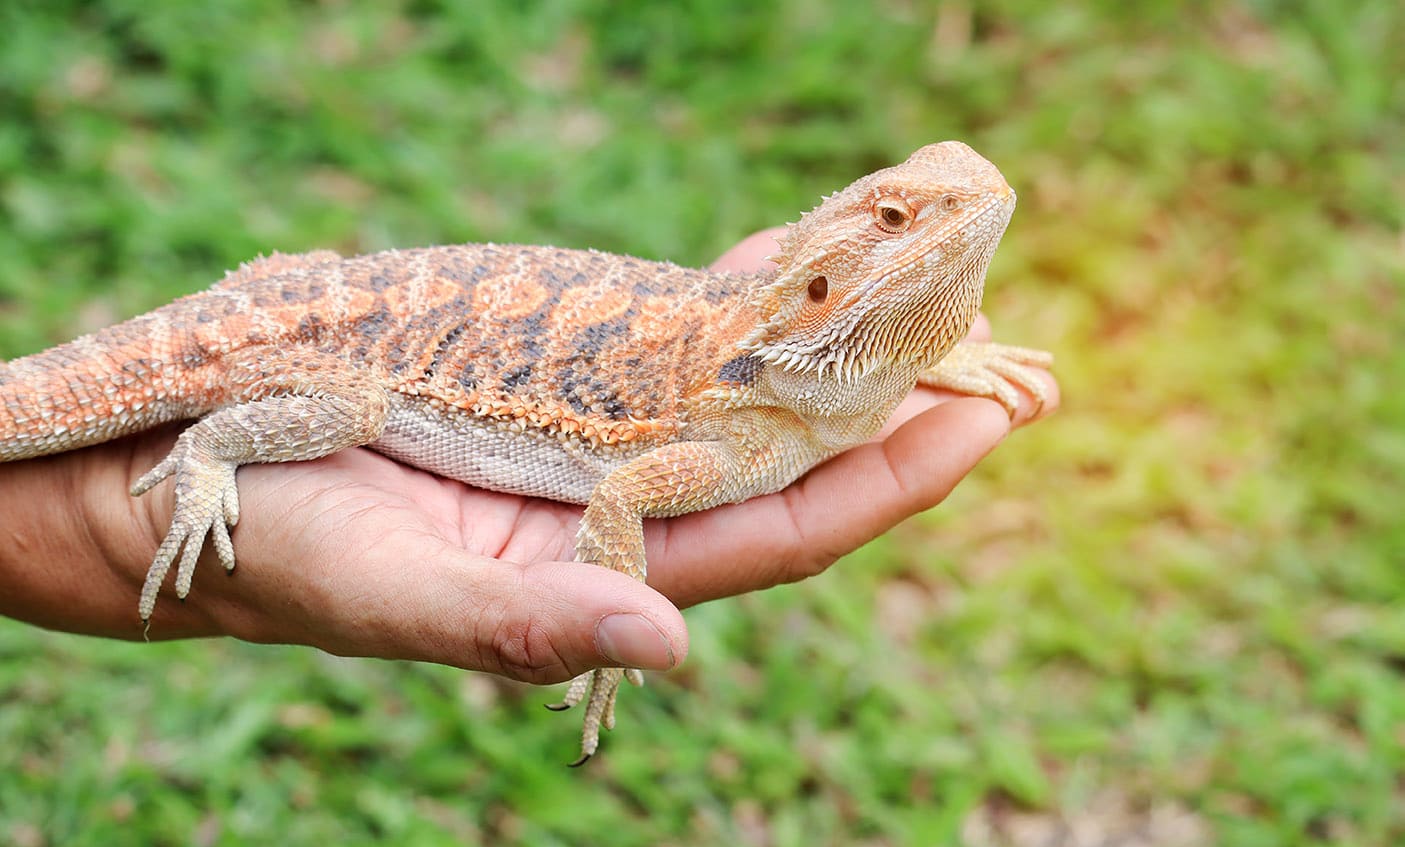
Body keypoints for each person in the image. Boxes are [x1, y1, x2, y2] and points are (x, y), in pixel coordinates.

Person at [0, 228, 1058, 685]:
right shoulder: (744, 430)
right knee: (358, 400)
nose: (934, 228)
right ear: (821, 290)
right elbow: (627, 494)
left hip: (302, 302)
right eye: (892, 216)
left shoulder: (805, 371)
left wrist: (933, 356)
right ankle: (210, 449)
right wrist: (178, 479)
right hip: (303, 348)